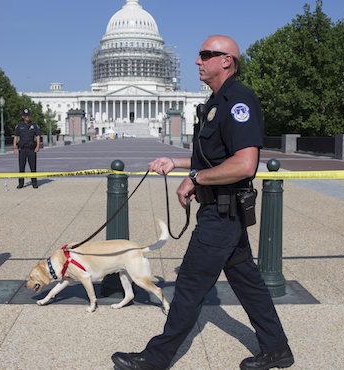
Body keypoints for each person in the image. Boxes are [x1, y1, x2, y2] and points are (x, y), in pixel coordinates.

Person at [111, 35, 294, 370]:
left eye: (206, 55)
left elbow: (244, 164)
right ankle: (278, 349)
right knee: (247, 283)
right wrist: (176, 163)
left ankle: (155, 358)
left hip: (222, 213)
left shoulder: (239, 102)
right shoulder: (214, 103)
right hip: (221, 209)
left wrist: (195, 179)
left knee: (190, 285)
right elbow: (210, 158)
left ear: (227, 60)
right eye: (199, 55)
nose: (198, 60)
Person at [13, 108, 41, 189]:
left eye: (28, 115)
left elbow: (38, 136)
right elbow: (16, 136)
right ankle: (21, 183)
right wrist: (14, 147)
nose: (27, 117)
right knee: (21, 167)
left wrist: (38, 146)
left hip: (31, 149)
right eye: (26, 116)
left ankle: (34, 183)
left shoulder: (34, 125)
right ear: (23, 117)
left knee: (33, 167)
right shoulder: (19, 125)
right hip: (22, 149)